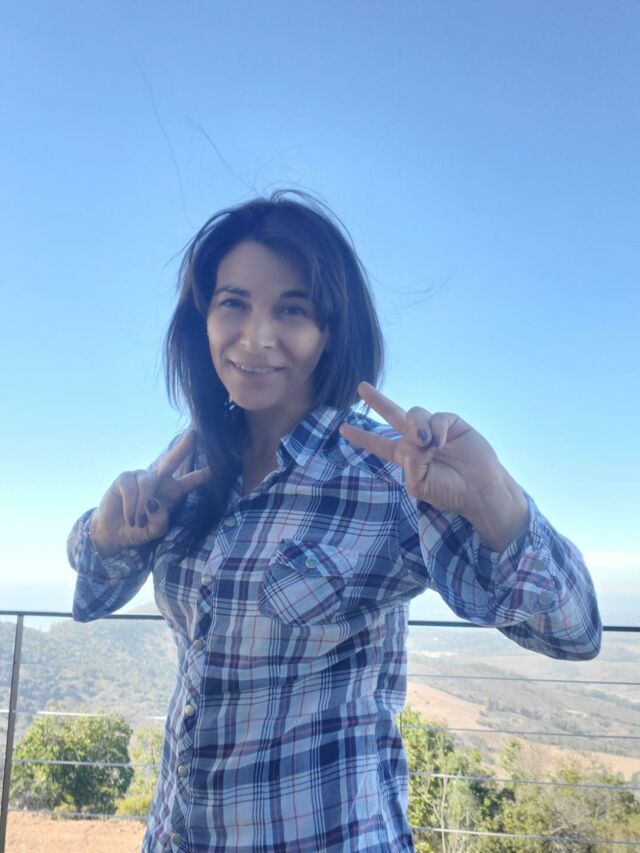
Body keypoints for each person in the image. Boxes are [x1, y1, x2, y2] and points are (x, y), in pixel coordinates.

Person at [67, 191, 601, 853]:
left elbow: (574, 631)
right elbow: (91, 595)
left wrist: (496, 497)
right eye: (233, 303)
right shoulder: (195, 461)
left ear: (331, 331)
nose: (255, 337)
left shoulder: (388, 473)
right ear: (201, 318)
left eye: (292, 309)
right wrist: (106, 535)